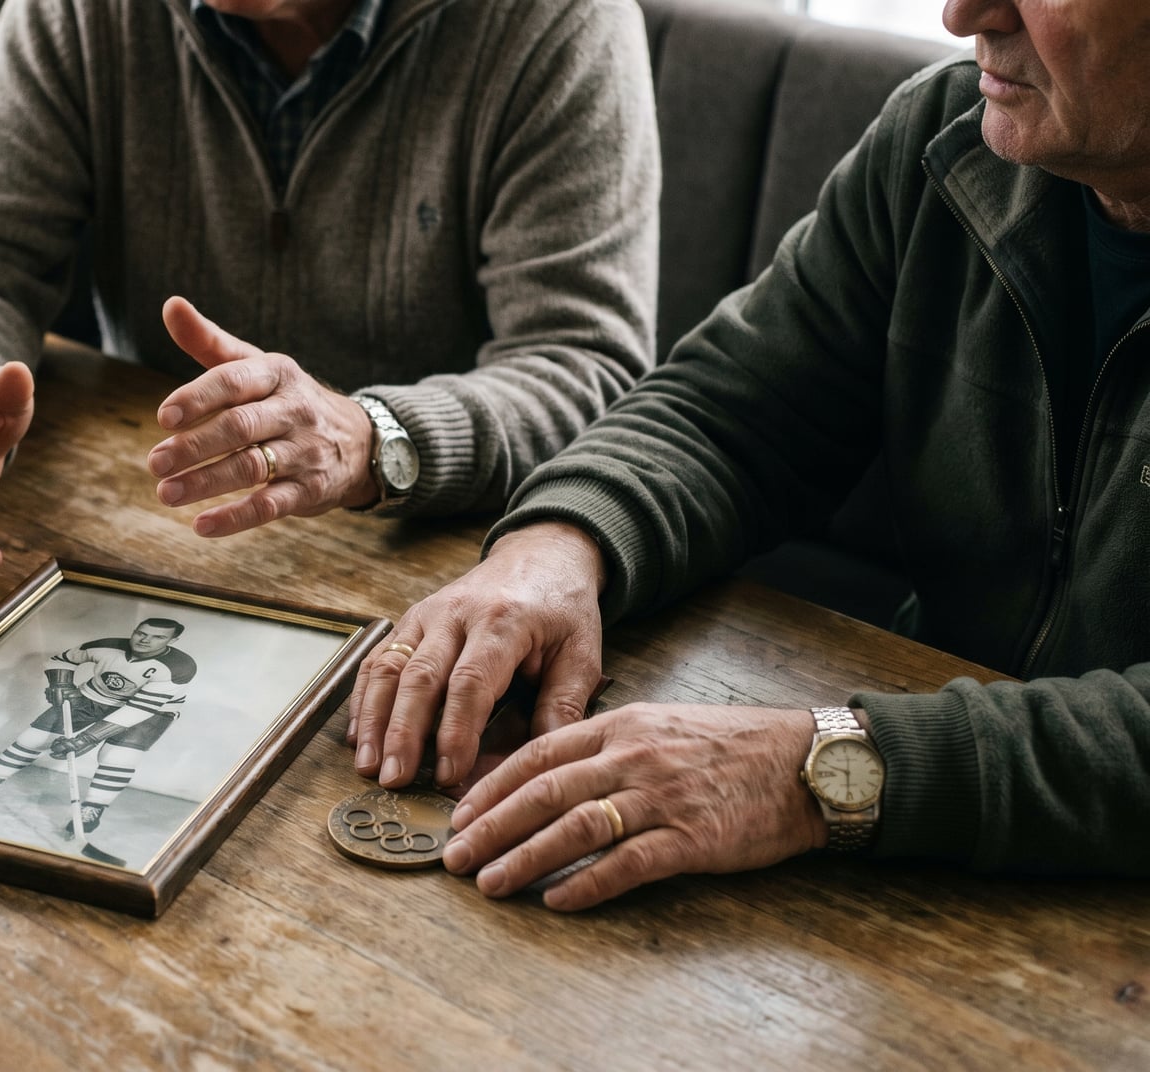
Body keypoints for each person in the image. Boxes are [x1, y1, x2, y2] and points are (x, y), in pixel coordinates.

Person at [349, 0, 1150, 910]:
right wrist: (562, 544)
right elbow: (733, 409)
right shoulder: (945, 134)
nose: (963, 11)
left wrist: (823, 768)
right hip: (924, 874)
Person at [0, 0, 658, 574]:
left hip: (446, 565)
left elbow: (585, 365)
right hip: (143, 538)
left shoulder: (558, 21)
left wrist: (373, 438)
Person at [0, 619, 197, 835]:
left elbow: (138, 709)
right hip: (96, 697)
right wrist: (61, 684)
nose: (144, 640)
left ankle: (93, 810)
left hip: (151, 711)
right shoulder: (105, 647)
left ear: (171, 641)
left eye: (157, 637)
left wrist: (87, 738)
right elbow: (62, 659)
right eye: (141, 633)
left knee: (116, 756)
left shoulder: (178, 668)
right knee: (33, 739)